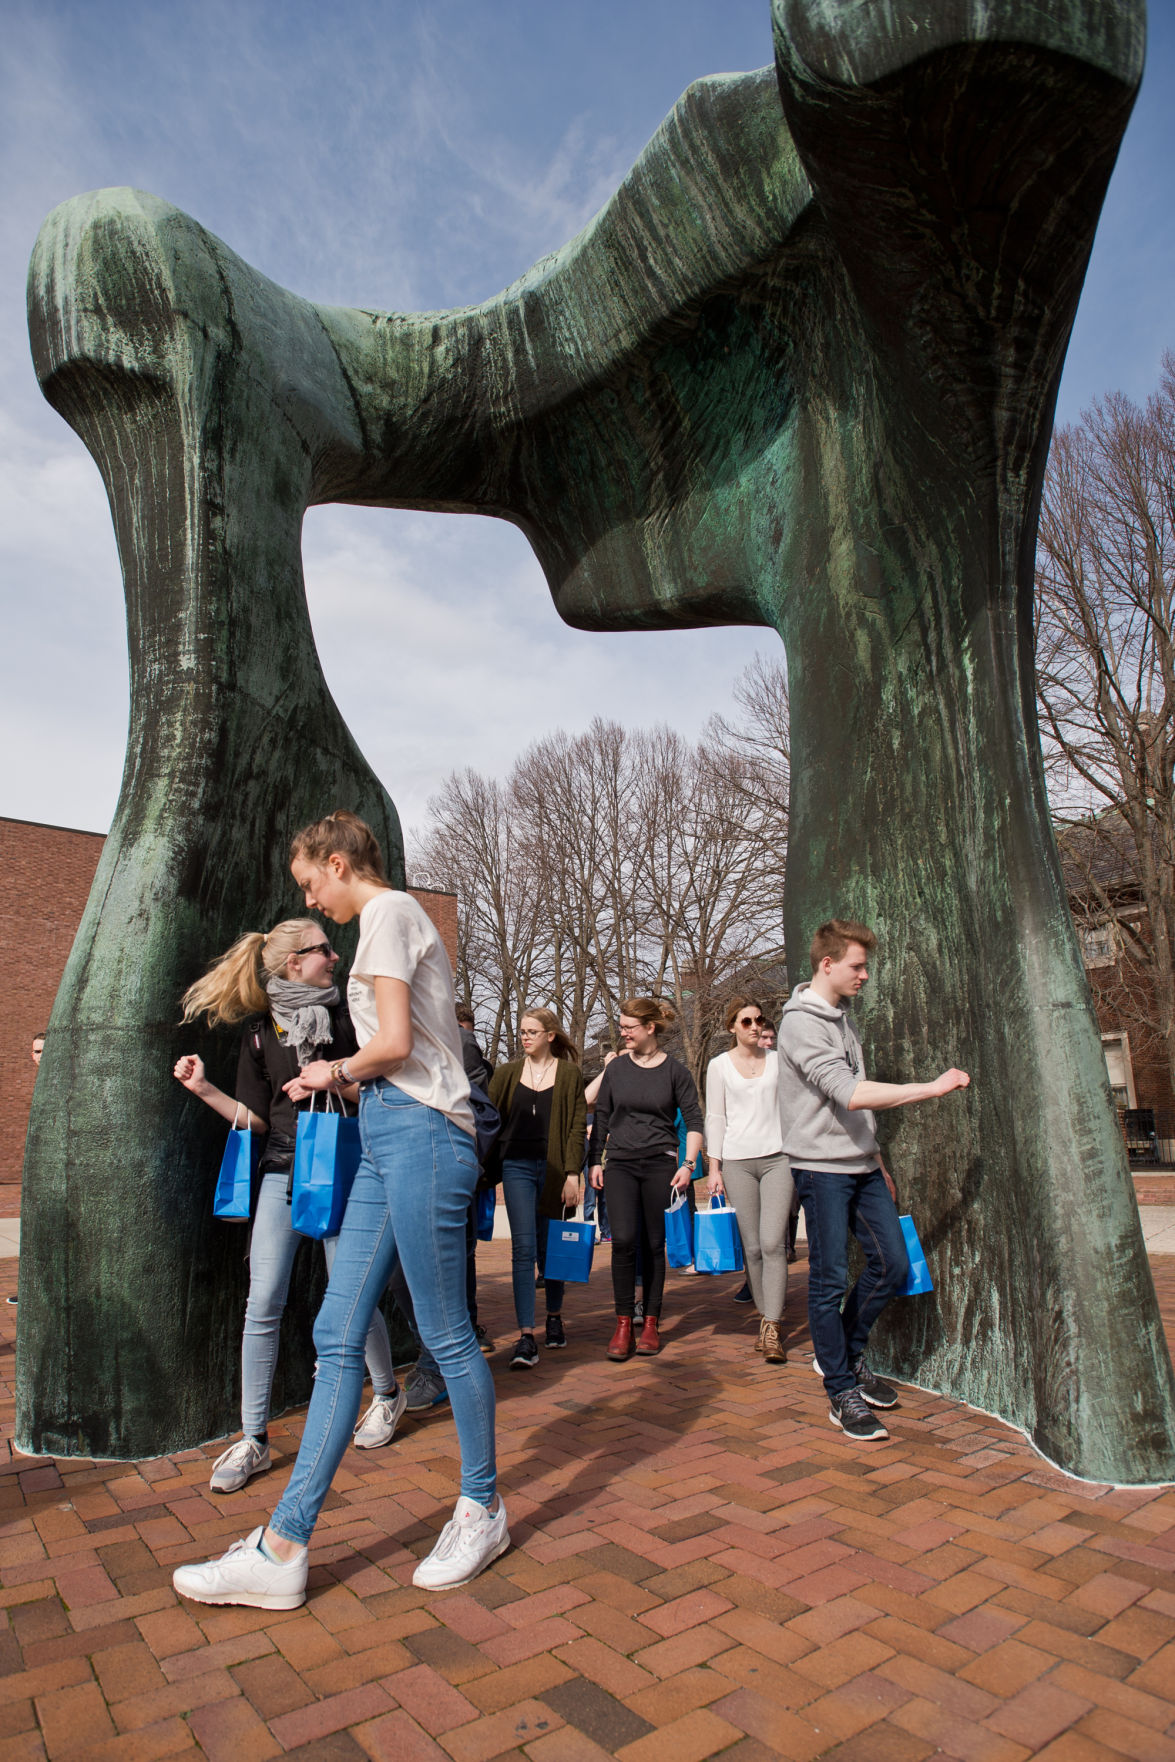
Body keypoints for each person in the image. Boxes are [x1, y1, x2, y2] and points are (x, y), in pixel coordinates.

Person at [173, 810, 504, 1609]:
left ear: (336, 862)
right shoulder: (385, 923)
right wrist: (351, 1082)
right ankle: (282, 1546)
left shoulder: (389, 912)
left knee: (444, 1333)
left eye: (309, 881)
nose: (310, 899)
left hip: (425, 1134)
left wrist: (334, 1072)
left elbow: (392, 1046)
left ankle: (482, 1507)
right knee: (334, 1331)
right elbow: (400, 1052)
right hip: (390, 1132)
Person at [173, 919, 400, 1493]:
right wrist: (204, 1089)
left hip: (342, 1169)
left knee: (349, 1294)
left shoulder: (348, 1018)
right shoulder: (260, 1033)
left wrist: (331, 1079)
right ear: (294, 962)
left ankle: (387, 1394)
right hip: (281, 1171)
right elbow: (255, 1118)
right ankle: (253, 1437)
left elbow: (378, 1091)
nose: (335, 956)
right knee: (263, 1302)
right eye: (325, 949)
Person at [779, 919, 970, 1443]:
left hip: (861, 1164)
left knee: (892, 1264)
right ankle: (841, 1390)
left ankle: (844, 1354)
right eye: (857, 966)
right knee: (829, 1281)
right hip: (821, 1169)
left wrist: (877, 1157)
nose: (865, 975)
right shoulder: (801, 1024)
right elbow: (850, 1093)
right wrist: (930, 1088)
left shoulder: (842, 1017)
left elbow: (855, 1100)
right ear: (828, 964)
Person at [588, 999, 703, 1359]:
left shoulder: (675, 1072)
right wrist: (594, 1162)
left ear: (650, 1028)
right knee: (623, 1240)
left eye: (629, 1027)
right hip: (620, 1164)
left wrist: (687, 1165)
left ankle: (651, 1322)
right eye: (621, 1026)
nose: (622, 1032)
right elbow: (601, 1116)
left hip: (660, 1166)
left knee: (654, 1244)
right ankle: (623, 1323)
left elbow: (695, 1121)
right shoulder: (617, 1069)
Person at [486, 1009, 586, 1363]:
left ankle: (554, 1317)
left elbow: (576, 1126)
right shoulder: (506, 1073)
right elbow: (487, 1116)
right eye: (522, 1031)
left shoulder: (569, 1074)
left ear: (550, 1035)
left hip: (555, 1170)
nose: (525, 1037)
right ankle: (526, 1334)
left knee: (550, 1247)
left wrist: (572, 1174)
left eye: (532, 1031)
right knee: (523, 1248)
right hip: (516, 1167)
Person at [705, 997, 793, 1364]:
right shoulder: (719, 1066)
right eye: (746, 1021)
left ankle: (772, 1325)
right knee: (753, 1248)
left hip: (779, 1159)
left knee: (774, 1243)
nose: (755, 1026)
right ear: (732, 1027)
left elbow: (792, 1106)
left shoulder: (779, 1061)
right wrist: (714, 1168)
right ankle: (763, 1314)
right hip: (738, 1163)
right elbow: (716, 1117)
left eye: (758, 1020)